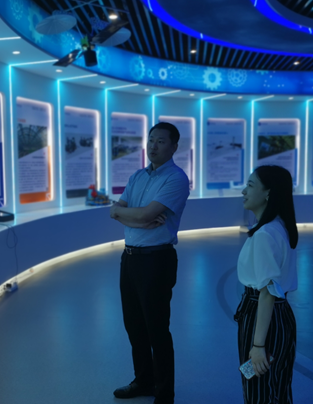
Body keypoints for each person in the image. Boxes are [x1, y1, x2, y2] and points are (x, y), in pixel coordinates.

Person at [109, 122, 189, 404]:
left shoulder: (176, 179)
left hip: (157, 260)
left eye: (161, 141)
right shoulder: (137, 176)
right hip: (129, 259)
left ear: (174, 147)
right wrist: (136, 217)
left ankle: (164, 393)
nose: (153, 145)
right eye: (151, 139)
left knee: (157, 329)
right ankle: (143, 381)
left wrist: (130, 215)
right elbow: (117, 210)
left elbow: (140, 214)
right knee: (134, 326)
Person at [235, 165, 298, 404]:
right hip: (281, 316)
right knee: (278, 386)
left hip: (261, 317)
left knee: (258, 390)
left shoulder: (264, 234)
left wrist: (258, 344)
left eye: (250, 185)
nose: (244, 191)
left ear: (268, 193)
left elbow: (267, 292)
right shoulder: (280, 226)